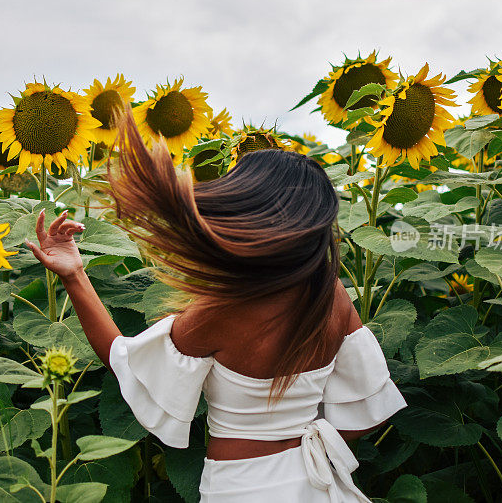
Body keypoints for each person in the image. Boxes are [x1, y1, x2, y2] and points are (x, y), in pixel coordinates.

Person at [26, 110, 407, 502]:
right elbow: (363, 415)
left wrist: (74, 275)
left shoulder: (223, 310)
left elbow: (123, 361)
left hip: (241, 488)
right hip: (317, 484)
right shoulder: (334, 298)